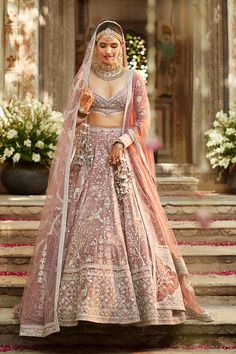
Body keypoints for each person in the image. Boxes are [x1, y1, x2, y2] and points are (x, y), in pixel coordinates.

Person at [14, 20, 213, 337]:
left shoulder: (134, 79)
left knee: (132, 227)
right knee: (87, 227)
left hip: (122, 158)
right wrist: (80, 112)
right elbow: (73, 124)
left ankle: (139, 304)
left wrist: (124, 141)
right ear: (94, 48)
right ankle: (81, 305)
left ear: (122, 48)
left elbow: (146, 119)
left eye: (114, 45)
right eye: (102, 45)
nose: (108, 51)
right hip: (90, 156)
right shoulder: (85, 79)